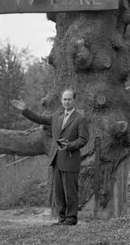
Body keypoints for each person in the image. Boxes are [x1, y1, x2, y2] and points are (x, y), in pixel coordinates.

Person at [12, 89, 89, 226]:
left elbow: (83, 139)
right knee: (59, 191)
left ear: (74, 100)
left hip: (71, 159)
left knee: (70, 191)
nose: (66, 102)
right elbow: (40, 119)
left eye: (69, 99)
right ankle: (61, 218)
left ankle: (71, 218)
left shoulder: (80, 118)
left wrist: (70, 145)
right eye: (64, 99)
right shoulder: (56, 116)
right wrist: (25, 110)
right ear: (61, 101)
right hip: (57, 159)